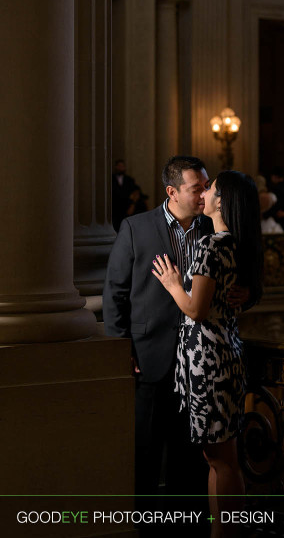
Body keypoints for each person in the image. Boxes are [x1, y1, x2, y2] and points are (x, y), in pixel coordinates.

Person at [103, 156, 253, 496]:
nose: (203, 195)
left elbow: (239, 276)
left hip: (199, 367)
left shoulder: (212, 228)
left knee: (192, 464)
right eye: (195, 189)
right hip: (150, 358)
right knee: (146, 456)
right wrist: (120, 347)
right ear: (172, 191)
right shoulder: (135, 227)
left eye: (205, 187)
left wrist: (248, 293)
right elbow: (115, 293)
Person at [152, 170, 263, 535]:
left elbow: (196, 309)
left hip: (209, 365)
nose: (205, 192)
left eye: (211, 188)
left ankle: (224, 534)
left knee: (222, 460)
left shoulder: (212, 245)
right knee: (219, 458)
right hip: (222, 359)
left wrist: (171, 284)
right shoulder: (236, 243)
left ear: (222, 200)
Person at [111, 158, 137, 231]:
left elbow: (134, 193)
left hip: (126, 207)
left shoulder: (129, 180)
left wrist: (132, 205)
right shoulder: (111, 179)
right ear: (116, 167)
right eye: (119, 166)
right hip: (115, 208)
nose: (120, 168)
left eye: (122, 166)